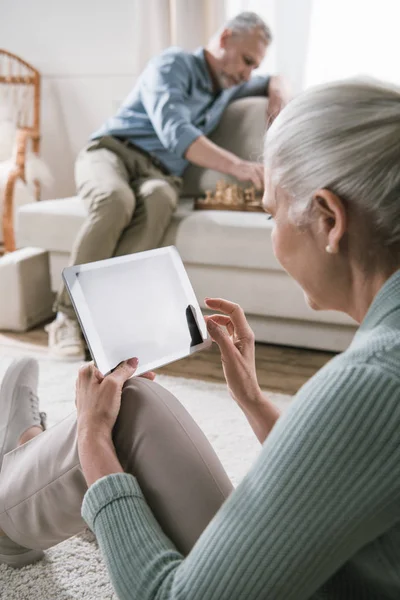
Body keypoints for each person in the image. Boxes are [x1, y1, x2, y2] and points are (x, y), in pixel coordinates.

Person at [1, 77, 399, 599]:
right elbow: (351, 475)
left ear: (328, 219)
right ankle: (28, 455)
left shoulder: (370, 382)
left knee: (129, 407)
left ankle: (11, 508)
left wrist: (93, 441)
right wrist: (253, 400)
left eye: (271, 213)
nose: (273, 232)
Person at [47, 11, 290, 360]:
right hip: (112, 152)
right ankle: (66, 317)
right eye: (247, 60)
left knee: (161, 198)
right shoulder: (172, 64)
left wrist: (278, 93)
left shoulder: (231, 83)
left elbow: (275, 78)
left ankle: (105, 319)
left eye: (254, 66)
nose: (248, 73)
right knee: (115, 200)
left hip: (158, 175)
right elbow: (175, 130)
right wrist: (238, 166)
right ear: (224, 40)